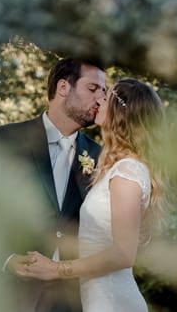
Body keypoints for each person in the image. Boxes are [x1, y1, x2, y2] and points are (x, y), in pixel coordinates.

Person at [17, 78, 166, 312]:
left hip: (113, 302)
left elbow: (123, 254)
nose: (99, 100)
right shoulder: (118, 167)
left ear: (118, 113)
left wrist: (57, 269)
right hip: (94, 298)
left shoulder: (127, 172)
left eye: (105, 98)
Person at [0, 58, 106, 312]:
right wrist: (6, 260)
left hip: (75, 300)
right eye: (93, 89)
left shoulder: (101, 156)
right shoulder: (5, 140)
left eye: (103, 91)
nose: (101, 98)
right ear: (63, 88)